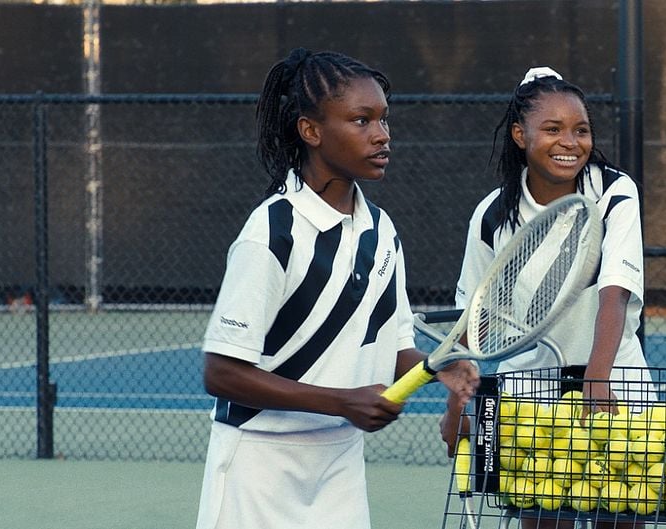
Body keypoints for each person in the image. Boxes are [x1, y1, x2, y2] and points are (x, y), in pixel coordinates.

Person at [195, 48, 478, 529]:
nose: (382, 135)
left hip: (341, 466)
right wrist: (341, 402)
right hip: (257, 465)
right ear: (311, 131)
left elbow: (394, 346)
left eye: (384, 120)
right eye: (362, 120)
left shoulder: (382, 230)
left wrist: (443, 370)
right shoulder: (272, 231)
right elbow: (221, 373)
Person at [443, 67, 652, 528]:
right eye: (552, 129)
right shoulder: (491, 214)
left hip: (616, 386)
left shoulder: (615, 192)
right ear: (520, 135)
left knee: (623, 517)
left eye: (581, 130)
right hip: (530, 398)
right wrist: (457, 404)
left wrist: (598, 378)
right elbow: (471, 322)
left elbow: (615, 291)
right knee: (543, 521)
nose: (570, 142)